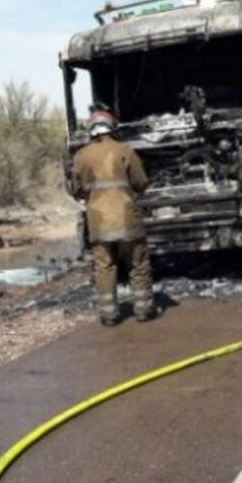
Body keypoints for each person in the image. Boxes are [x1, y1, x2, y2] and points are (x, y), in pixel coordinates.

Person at [72, 107, 155, 325]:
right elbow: (141, 182)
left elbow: (76, 189)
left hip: (98, 220)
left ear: (91, 130)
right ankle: (144, 310)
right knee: (138, 263)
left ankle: (109, 315)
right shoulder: (125, 150)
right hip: (127, 218)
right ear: (112, 128)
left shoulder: (81, 156)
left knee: (104, 266)